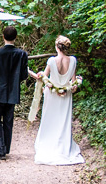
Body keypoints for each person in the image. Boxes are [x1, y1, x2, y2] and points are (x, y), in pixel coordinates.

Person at [33, 35, 84, 165]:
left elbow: (44, 78)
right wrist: (77, 82)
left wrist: (37, 76)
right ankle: (62, 146)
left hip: (52, 95)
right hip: (66, 95)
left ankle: (48, 144)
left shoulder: (51, 61)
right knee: (63, 120)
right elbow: (74, 85)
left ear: (57, 47)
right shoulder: (72, 60)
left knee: (49, 120)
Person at [0, 25, 29, 160]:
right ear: (16, 38)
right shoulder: (22, 54)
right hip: (12, 92)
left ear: (3, 37)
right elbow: (24, 75)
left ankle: (1, 150)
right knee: (8, 121)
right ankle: (5, 148)